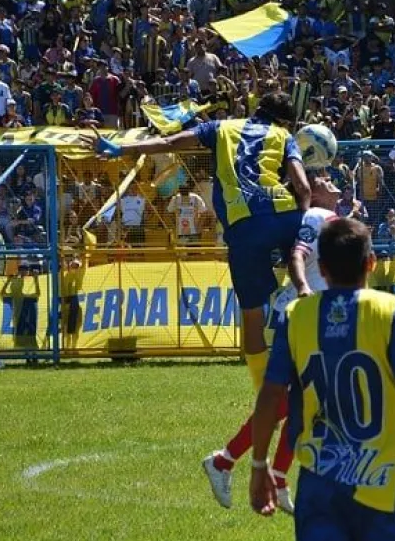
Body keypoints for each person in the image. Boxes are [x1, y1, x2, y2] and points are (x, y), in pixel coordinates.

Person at [248, 217, 395, 541]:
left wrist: (259, 465)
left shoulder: (297, 317)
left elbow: (271, 396)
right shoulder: (391, 311)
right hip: (382, 478)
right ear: (371, 262)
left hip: (321, 480)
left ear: (321, 268)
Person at [83, 92, 311, 397]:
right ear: (284, 121)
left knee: (253, 319)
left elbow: (168, 143)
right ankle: (300, 299)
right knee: (307, 271)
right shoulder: (283, 135)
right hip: (285, 215)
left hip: (245, 225)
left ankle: (265, 394)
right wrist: (305, 220)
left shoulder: (221, 128)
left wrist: (120, 148)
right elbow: (303, 185)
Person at [203, 176, 341, 514]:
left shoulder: (330, 219)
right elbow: (298, 255)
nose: (331, 181)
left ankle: (252, 470)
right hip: (301, 317)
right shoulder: (313, 218)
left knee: (296, 406)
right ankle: (241, 466)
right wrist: (304, 287)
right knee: (290, 404)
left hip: (317, 319)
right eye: (322, 180)